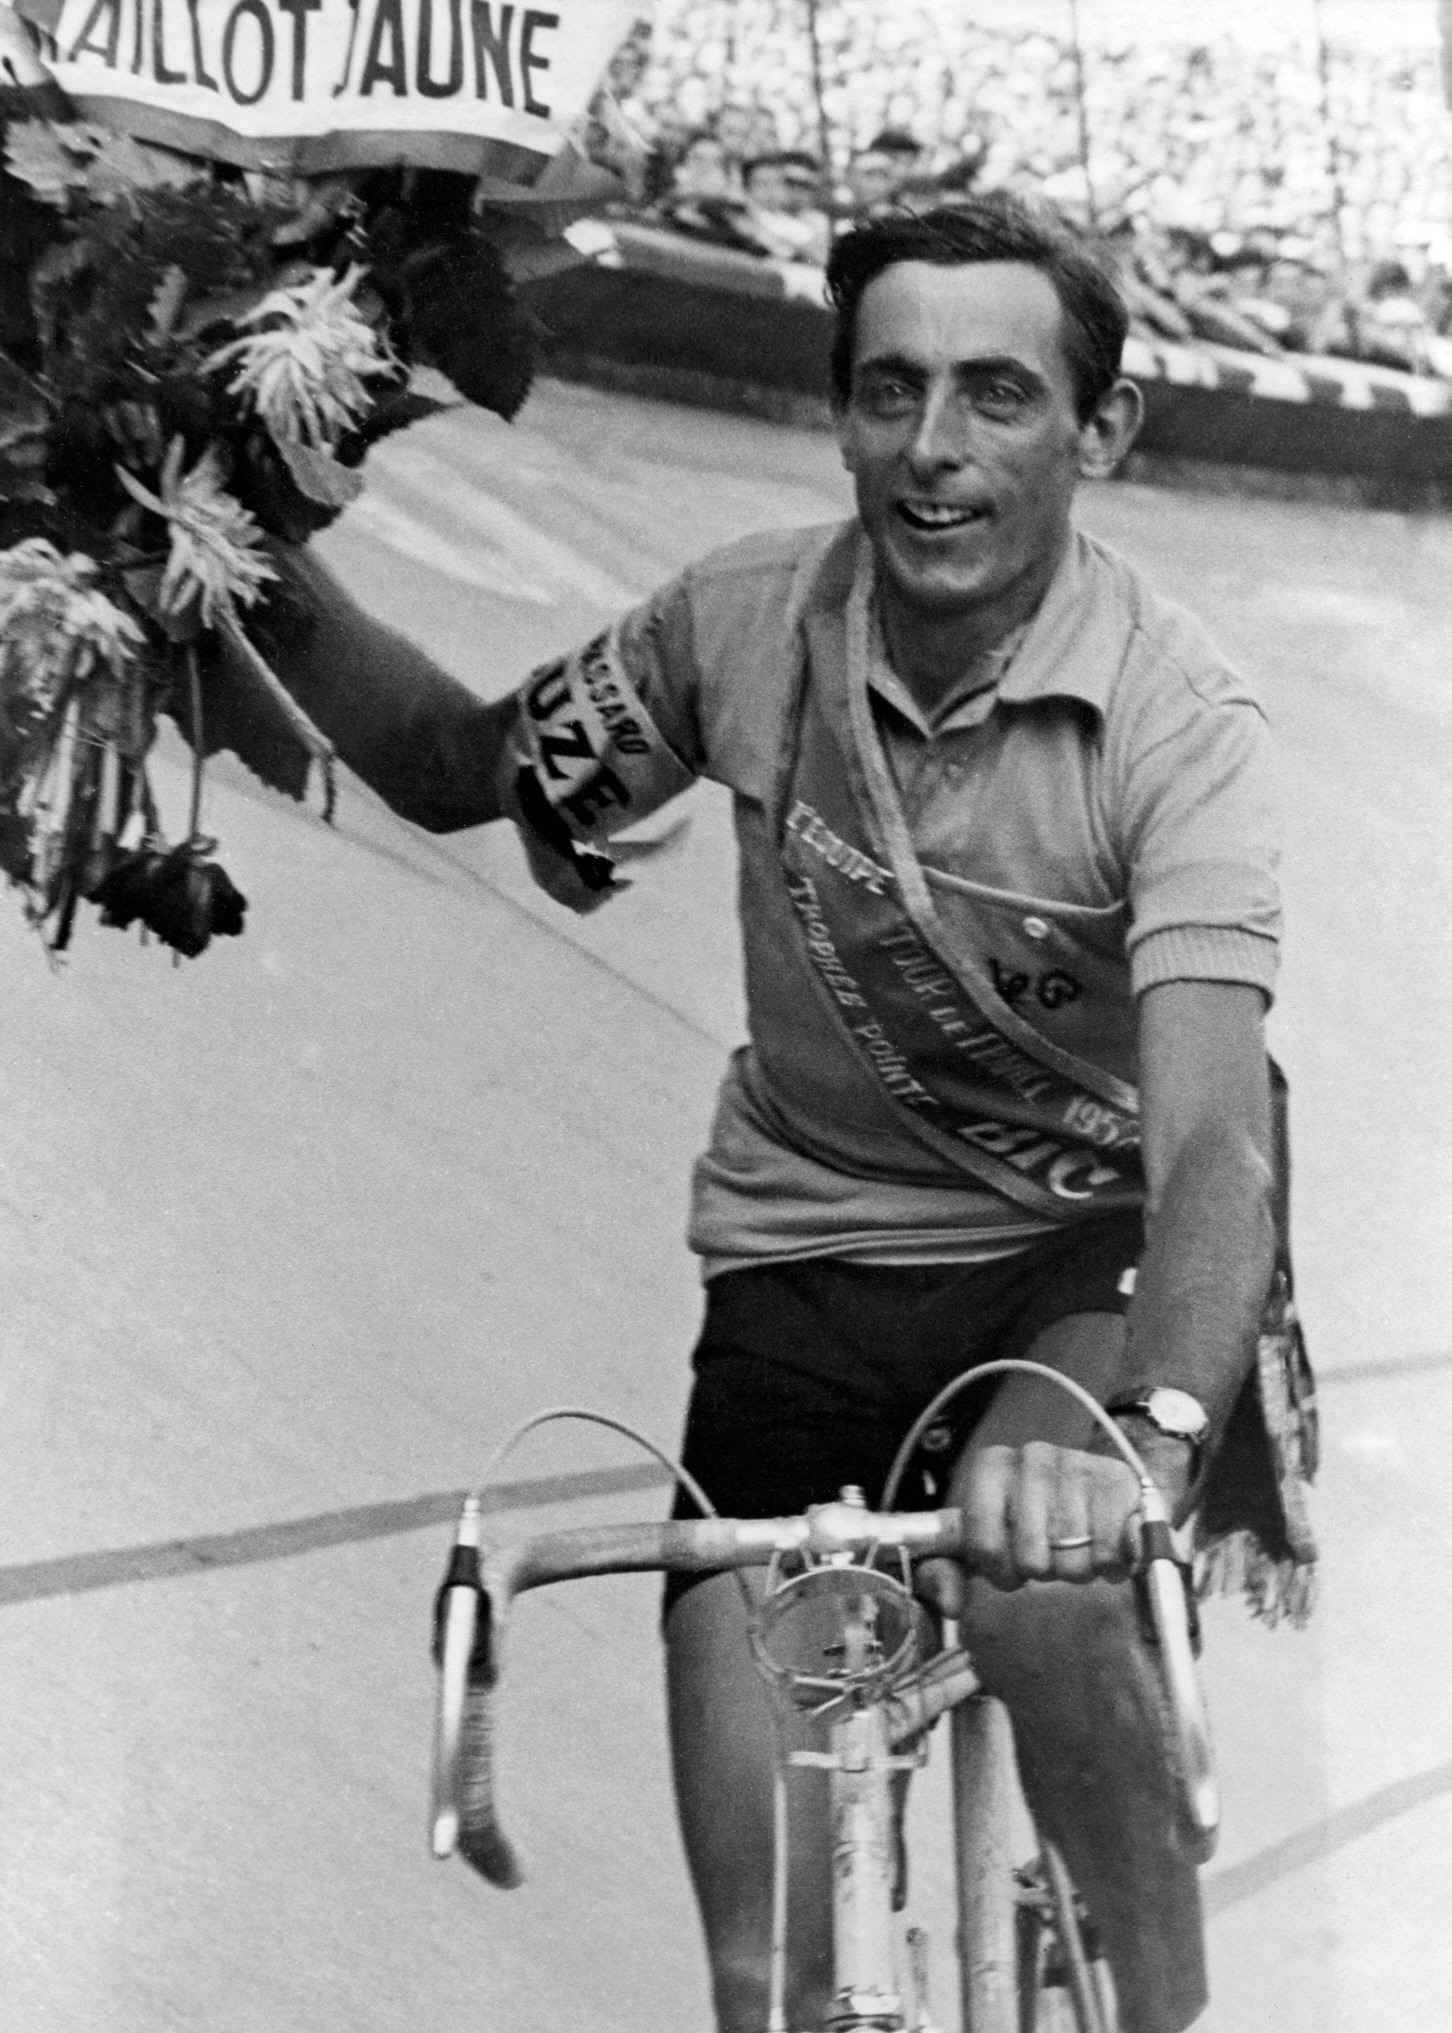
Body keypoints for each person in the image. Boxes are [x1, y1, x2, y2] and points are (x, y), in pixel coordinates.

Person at [256, 193, 1316, 2033]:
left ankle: (1161, 2000)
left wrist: (1143, 1441)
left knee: (1040, 1584)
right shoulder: (739, 625)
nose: (934, 449)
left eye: (998, 396)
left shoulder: (1177, 718)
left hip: (1082, 1262)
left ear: (1101, 431)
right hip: (808, 1275)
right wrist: (205, 545)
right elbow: (455, 767)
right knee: (776, 1978)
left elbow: (1217, 1138)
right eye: (890, 391)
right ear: (835, 414)